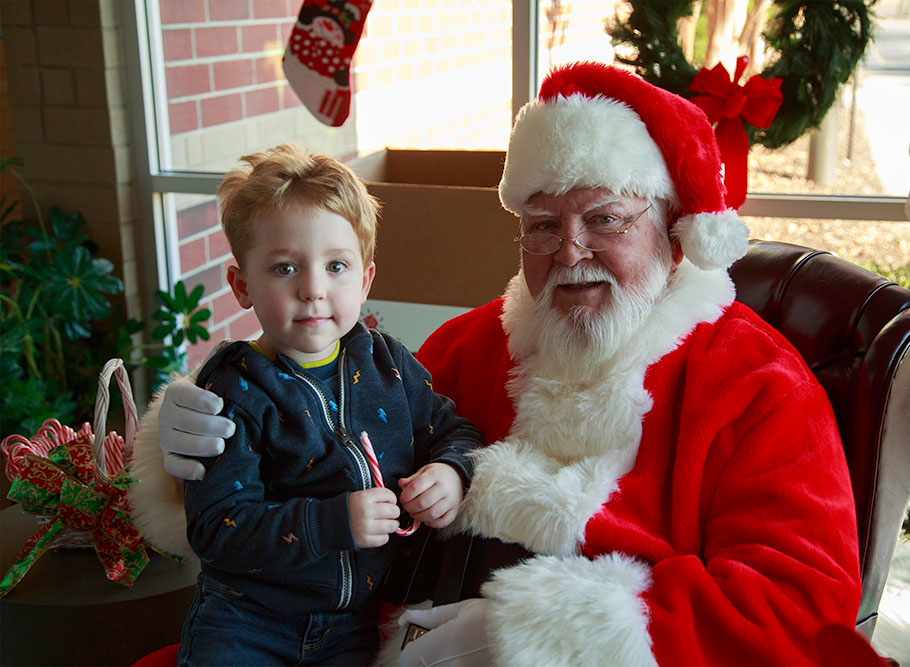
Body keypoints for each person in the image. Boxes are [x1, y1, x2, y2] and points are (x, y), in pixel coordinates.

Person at [130, 63, 863, 665]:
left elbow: (800, 606)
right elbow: (325, 446)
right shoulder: (474, 343)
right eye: (543, 225)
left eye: (604, 218)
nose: (569, 250)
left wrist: (535, 635)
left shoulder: (757, 384)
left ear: (673, 232)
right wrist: (192, 444)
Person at [161, 143, 483, 666]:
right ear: (242, 285)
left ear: (365, 279)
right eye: (285, 269)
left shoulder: (389, 365)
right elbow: (218, 528)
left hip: (350, 622)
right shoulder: (233, 390)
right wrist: (333, 523)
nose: (313, 289)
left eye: (336, 266)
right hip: (246, 620)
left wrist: (451, 473)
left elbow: (456, 430)